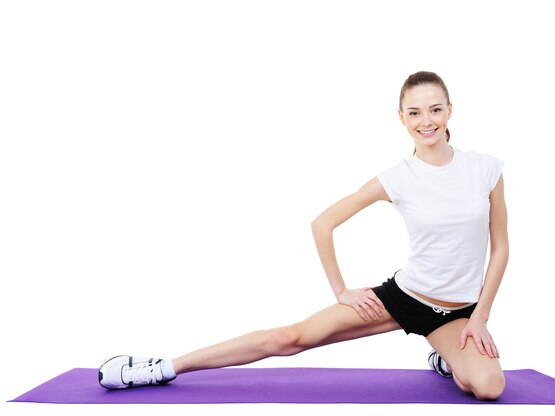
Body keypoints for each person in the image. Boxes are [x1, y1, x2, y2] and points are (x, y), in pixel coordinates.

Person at [99, 71, 509, 401]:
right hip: (406, 297)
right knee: (290, 338)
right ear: (401, 118)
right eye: (415, 113)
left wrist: (481, 316)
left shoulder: (485, 169)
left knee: (489, 387)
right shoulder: (397, 179)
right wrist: (342, 291)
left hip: (460, 313)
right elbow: (323, 223)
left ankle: (448, 356)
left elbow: (501, 246)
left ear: (450, 110)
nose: (427, 121)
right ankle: (163, 366)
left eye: (435, 110)